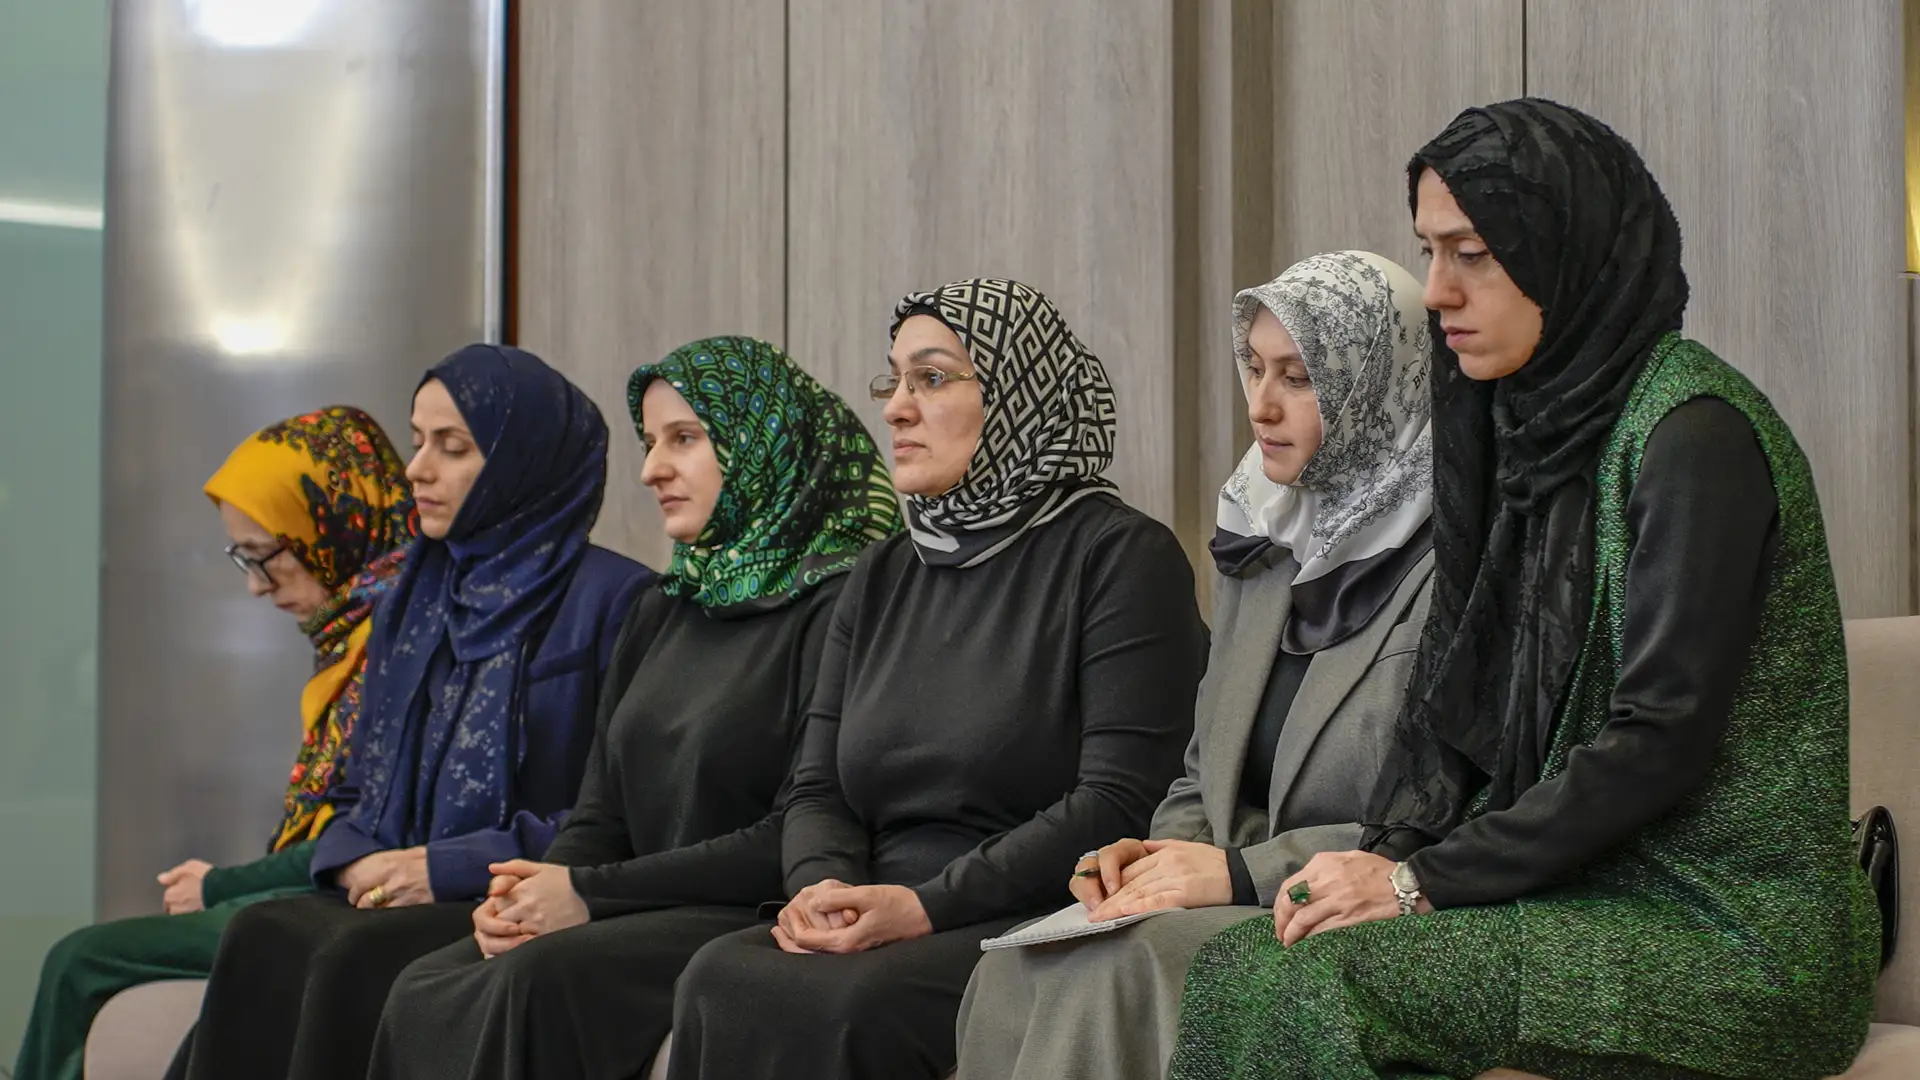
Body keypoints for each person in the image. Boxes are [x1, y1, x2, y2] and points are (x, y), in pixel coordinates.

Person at [1167, 98, 1880, 1080]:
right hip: (1573, 898)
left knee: (1319, 982)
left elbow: (1657, 743)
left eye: (1472, 254)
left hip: (1723, 931)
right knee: (1245, 962)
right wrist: (1391, 859)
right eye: (1428, 251)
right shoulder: (1529, 431)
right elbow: (1464, 704)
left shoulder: (1695, 435)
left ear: (1563, 247)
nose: (1437, 290)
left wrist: (1418, 881)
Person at [666, 278, 1211, 1080]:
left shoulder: (1120, 556)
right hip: (879, 900)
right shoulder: (884, 571)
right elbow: (817, 788)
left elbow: (1119, 800)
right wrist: (823, 887)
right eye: (893, 381)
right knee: (718, 975)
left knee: (849, 1005)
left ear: (1020, 395)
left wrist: (926, 906)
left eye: (931, 378)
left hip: (1031, 909)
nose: (895, 409)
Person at [954, 251, 1437, 1080]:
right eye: (1254, 367)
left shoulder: (1457, 570)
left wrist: (1236, 873)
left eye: (1298, 378)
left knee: (1116, 975)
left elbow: (1450, 818)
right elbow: (1199, 771)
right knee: (1010, 971)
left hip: (1356, 912)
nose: (1261, 404)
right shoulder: (1264, 531)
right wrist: (1155, 862)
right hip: (1237, 894)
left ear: (1378, 387)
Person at [365, 336, 903, 1080]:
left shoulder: (843, 604)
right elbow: (601, 811)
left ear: (764, 443)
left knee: (533, 984)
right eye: (651, 443)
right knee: (427, 983)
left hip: (746, 908)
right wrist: (531, 895)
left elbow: (796, 829)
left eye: (684, 439)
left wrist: (586, 894)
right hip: (636, 905)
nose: (651, 470)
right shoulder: (664, 605)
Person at [175, 344, 654, 1080]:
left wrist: (441, 867)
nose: (417, 470)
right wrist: (357, 861)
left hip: (510, 895)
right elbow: (352, 790)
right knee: (260, 931)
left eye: (452, 448)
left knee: (348, 955)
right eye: (417, 441)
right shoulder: (413, 596)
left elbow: (622, 817)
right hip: (391, 887)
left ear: (521, 460)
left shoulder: (617, 601)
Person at [10, 407, 414, 1080]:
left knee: (78, 959)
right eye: (243, 559)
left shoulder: (402, 641)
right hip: (324, 895)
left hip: (352, 905)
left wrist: (223, 885)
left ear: (332, 526)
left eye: (267, 556)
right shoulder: (359, 633)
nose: (256, 586)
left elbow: (364, 832)